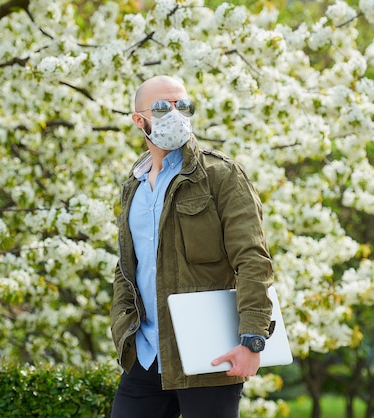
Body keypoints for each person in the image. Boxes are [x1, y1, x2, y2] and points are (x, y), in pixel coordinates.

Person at [110, 75, 274, 418]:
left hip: (209, 354)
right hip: (147, 353)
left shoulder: (220, 175)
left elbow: (253, 259)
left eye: (182, 105)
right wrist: (121, 329)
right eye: (161, 107)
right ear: (139, 121)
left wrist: (253, 339)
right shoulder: (134, 186)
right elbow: (127, 266)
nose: (174, 113)